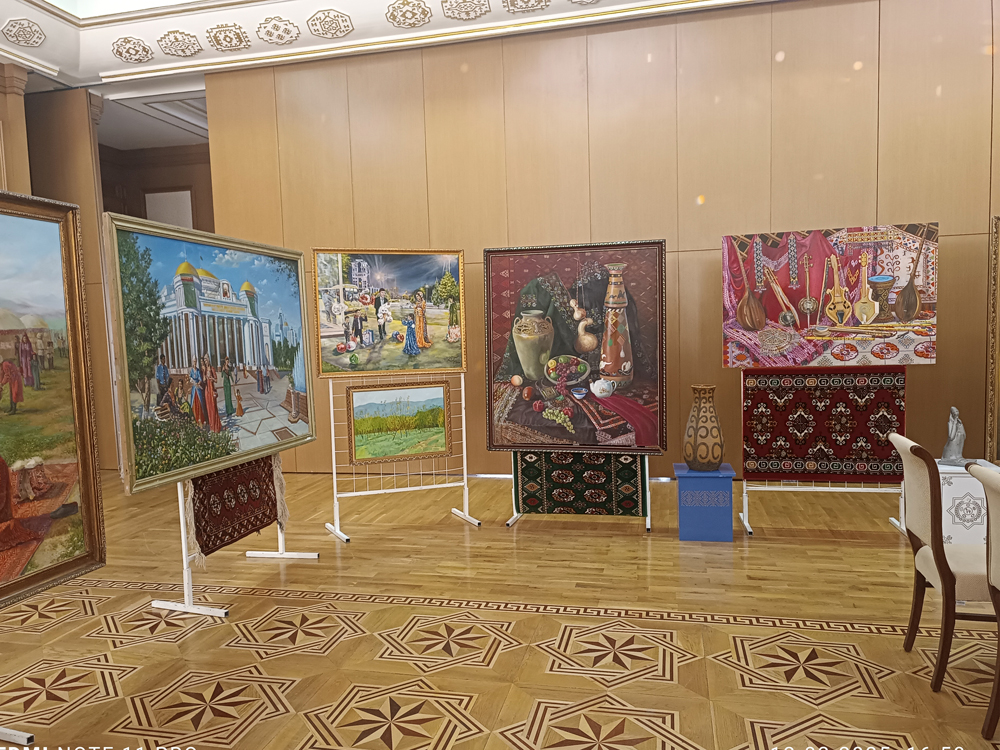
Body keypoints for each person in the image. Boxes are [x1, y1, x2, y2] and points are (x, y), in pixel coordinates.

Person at [203, 355, 222, 433]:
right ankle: (211, 427)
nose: (205, 362)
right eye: (204, 360)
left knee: (213, 408)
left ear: (208, 360)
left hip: (211, 389)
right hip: (207, 390)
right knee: (209, 408)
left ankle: (216, 427)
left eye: (206, 360)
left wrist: (212, 379)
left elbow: (216, 380)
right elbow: (204, 380)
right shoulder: (205, 370)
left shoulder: (212, 369)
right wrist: (204, 373)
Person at [188, 358, 206, 425]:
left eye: (195, 362)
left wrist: (198, 383)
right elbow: (190, 378)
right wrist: (192, 381)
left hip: (198, 388)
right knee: (193, 403)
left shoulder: (198, 370)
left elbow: (200, 379)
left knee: (199, 402)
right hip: (194, 388)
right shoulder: (192, 370)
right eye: (194, 362)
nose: (195, 363)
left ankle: (200, 418)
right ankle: (194, 419)